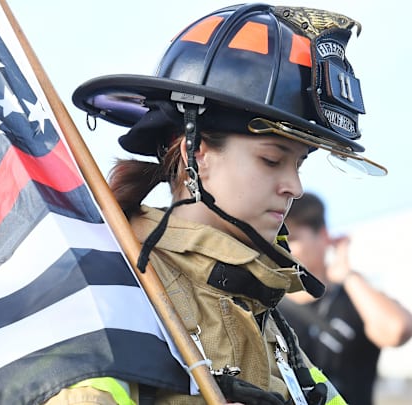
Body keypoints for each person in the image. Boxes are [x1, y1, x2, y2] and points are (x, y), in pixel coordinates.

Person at [45, 3, 389, 404]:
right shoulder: (123, 295)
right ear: (197, 153)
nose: (294, 185)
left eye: (299, 163)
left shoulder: (264, 310)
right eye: (272, 159)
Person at [279, 193, 412, 404]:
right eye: (278, 240)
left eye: (292, 238)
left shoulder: (355, 297)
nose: (283, 249)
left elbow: (396, 331)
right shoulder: (269, 308)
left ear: (323, 236)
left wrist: (348, 275)